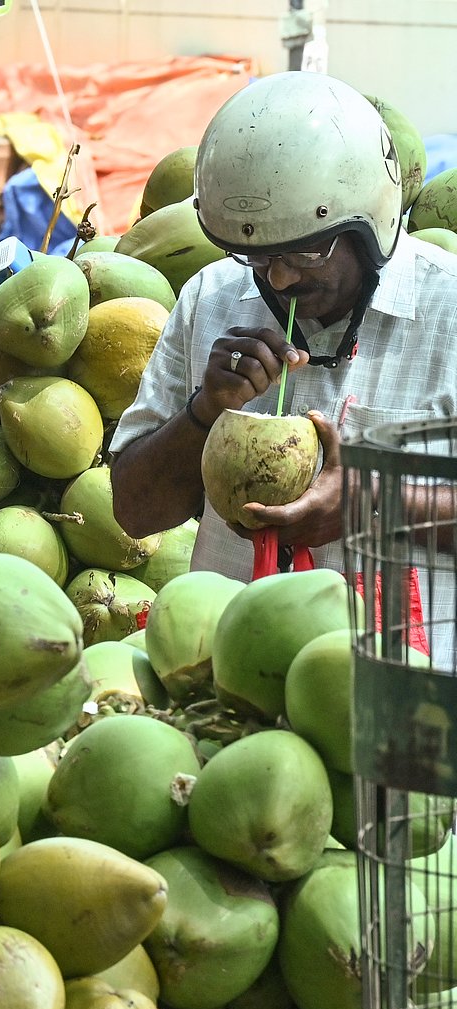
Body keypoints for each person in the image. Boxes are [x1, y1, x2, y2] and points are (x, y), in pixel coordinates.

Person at [110, 71, 457, 632]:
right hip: (239, 681)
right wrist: (205, 410)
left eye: (309, 250)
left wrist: (371, 504)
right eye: (256, 254)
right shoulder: (212, 298)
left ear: (372, 224)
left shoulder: (451, 309)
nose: (280, 276)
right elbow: (135, 510)